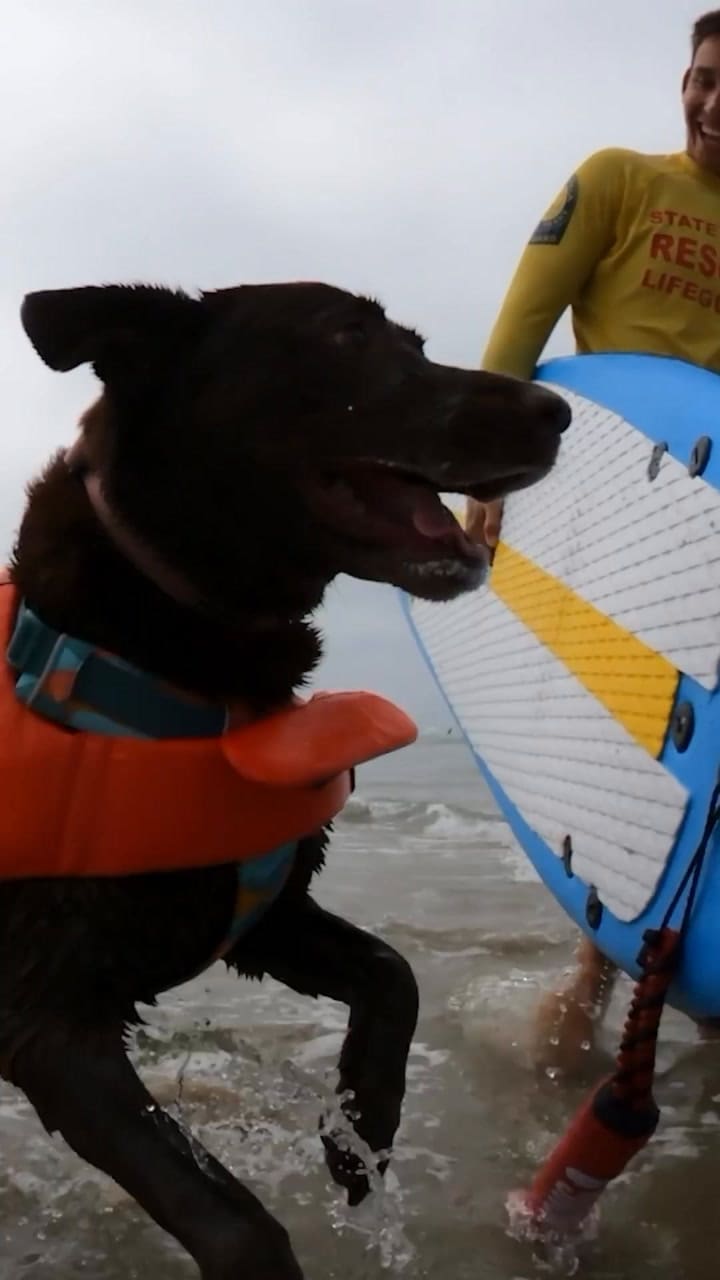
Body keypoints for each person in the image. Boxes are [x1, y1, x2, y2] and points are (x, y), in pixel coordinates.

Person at [468, 9, 720, 1072]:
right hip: (622, 525)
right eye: (705, 78)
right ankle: (576, 1030)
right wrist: (488, 462)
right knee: (630, 789)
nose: (713, 106)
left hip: (713, 528)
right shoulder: (621, 180)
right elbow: (528, 316)